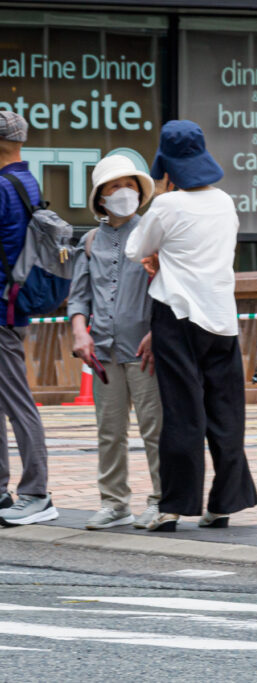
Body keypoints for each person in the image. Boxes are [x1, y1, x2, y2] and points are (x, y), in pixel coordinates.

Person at [125, 120, 257, 532]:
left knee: (183, 411)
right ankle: (224, 503)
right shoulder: (224, 202)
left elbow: (135, 249)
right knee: (226, 410)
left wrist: (159, 253)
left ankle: (173, 507)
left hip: (177, 315)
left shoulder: (167, 205)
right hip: (220, 315)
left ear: (167, 166)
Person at [68, 154, 163, 530]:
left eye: (129, 185)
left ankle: (160, 499)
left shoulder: (153, 235)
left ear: (140, 192)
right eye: (114, 186)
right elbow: (79, 297)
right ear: (100, 198)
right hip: (103, 351)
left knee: (154, 428)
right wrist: (79, 330)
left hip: (145, 351)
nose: (123, 192)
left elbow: (169, 291)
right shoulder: (90, 241)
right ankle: (114, 502)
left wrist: (158, 334)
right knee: (109, 431)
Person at [0, 111, 56, 527]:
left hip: (2, 308)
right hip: (14, 303)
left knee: (18, 402)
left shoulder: (2, 186)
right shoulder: (26, 180)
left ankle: (36, 493)